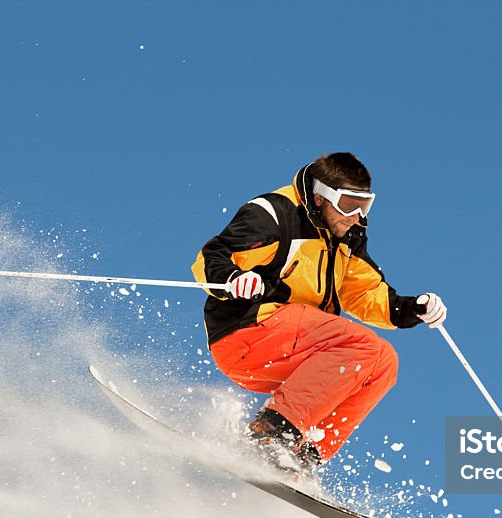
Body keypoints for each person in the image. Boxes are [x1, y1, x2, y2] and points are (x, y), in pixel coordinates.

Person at [191, 152, 446, 475]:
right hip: (247, 333)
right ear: (320, 197)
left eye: (364, 206)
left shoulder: (346, 236)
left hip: (295, 350)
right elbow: (212, 256)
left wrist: (411, 308)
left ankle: (303, 455)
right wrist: (233, 279)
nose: (355, 216)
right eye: (348, 204)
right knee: (362, 345)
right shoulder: (274, 213)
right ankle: (268, 434)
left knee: (383, 362)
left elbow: (365, 292)